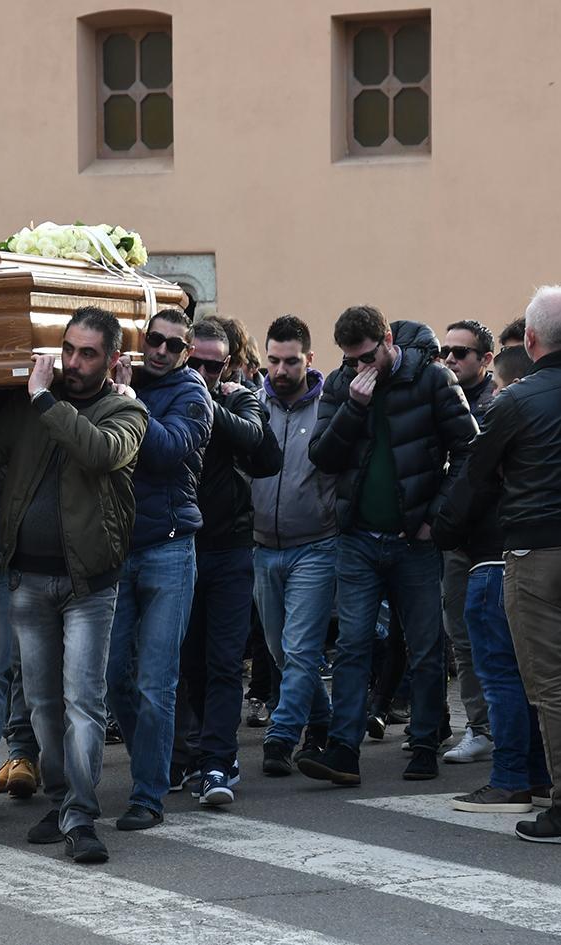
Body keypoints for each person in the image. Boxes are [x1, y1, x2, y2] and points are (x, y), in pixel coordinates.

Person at [0, 306, 147, 863]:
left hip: (89, 586)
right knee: (41, 707)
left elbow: (98, 451)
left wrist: (42, 399)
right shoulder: (28, 406)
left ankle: (82, 818)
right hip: (27, 580)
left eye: (88, 353)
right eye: (69, 349)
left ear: (111, 360)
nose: (75, 362)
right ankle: (61, 800)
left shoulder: (125, 410)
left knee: (83, 703)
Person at [464, 285, 561, 846]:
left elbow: (475, 474)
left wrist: (446, 525)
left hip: (538, 553)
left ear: (529, 339)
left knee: (552, 686)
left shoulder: (516, 399)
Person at [307, 306, 476, 785]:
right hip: (358, 537)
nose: (360, 367)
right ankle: (343, 749)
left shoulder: (432, 379)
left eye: (367, 356)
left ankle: (423, 742)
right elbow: (322, 456)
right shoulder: (343, 385)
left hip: (414, 540)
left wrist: (436, 520)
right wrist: (353, 407)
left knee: (425, 647)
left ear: (387, 340)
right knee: (354, 645)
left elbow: (469, 449)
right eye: (351, 358)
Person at [105, 308, 212, 831]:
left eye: (173, 345)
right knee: (109, 678)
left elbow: (167, 451)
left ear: (187, 352)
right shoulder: (124, 379)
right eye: (154, 340)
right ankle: (159, 760)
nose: (161, 351)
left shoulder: (194, 395)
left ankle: (148, 794)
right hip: (119, 547)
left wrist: (129, 402)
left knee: (156, 682)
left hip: (169, 548)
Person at [435, 343, 551, 812]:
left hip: (491, 564)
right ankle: (540, 776)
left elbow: (460, 504)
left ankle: (509, 779)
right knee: (537, 682)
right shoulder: (555, 429)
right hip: (541, 561)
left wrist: (447, 528)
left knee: (500, 677)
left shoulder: (501, 428)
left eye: (498, 387)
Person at [173, 318, 282, 804]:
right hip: (180, 546)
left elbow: (262, 448)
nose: (200, 370)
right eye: (192, 361)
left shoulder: (238, 398)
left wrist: (208, 402)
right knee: (187, 661)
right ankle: (193, 754)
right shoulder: (164, 396)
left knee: (222, 661)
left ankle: (219, 762)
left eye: (211, 365)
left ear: (229, 366)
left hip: (231, 548)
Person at [253, 315, 339, 777]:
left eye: (290, 361)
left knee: (301, 648)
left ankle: (281, 736)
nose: (280, 371)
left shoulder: (328, 406)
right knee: (280, 650)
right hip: (263, 546)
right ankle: (321, 719)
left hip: (316, 546)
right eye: (273, 361)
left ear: (309, 358)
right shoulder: (253, 403)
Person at [438, 319, 497, 765]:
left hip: (493, 541)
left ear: (486, 360)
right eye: (446, 351)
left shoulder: (498, 403)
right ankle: (480, 726)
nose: (451, 359)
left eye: (461, 353)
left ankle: (499, 728)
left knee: (499, 640)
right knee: (462, 639)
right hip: (455, 540)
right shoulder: (440, 398)